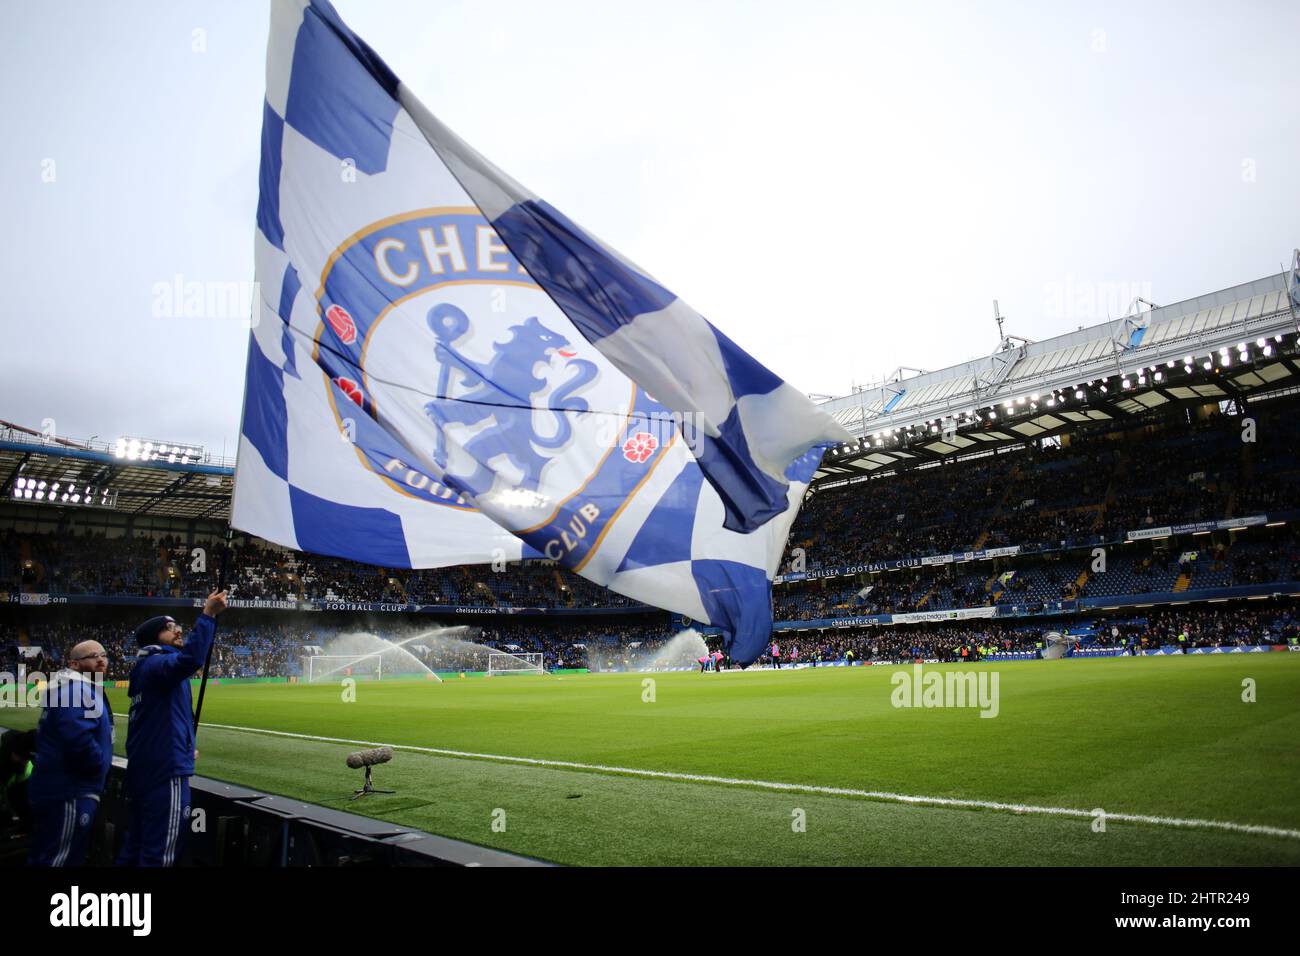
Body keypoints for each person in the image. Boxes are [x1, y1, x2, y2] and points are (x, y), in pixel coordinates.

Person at [117, 590, 226, 867]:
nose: (178, 630)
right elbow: (190, 661)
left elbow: (162, 718)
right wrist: (208, 615)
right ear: (155, 637)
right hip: (165, 771)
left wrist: (187, 745)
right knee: (161, 852)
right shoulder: (157, 664)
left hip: (148, 767)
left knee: (137, 845)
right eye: (170, 628)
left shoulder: (146, 669)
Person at [27, 640, 113, 866]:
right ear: (74, 664)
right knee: (58, 859)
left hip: (64, 789)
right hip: (71, 791)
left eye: (103, 654)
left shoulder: (69, 689)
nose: (101, 659)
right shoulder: (76, 690)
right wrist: (98, 767)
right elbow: (79, 740)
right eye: (93, 656)